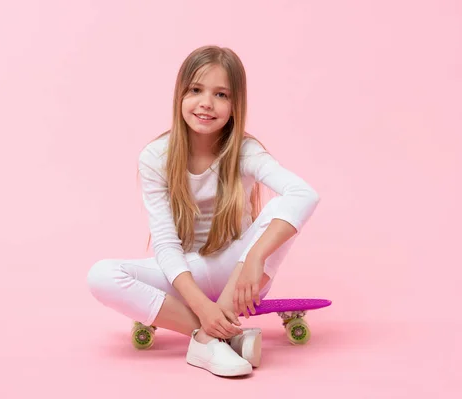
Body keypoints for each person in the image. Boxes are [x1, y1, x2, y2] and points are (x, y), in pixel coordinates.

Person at [87, 45, 320, 377]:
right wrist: (201, 306)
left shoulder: (245, 151)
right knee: (101, 275)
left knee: (286, 206)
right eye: (195, 90)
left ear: (235, 105)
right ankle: (213, 338)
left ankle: (211, 337)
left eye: (221, 94)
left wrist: (254, 259)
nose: (206, 103)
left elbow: (304, 194)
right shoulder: (156, 157)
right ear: (180, 95)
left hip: (242, 278)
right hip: (187, 278)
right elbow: (167, 245)